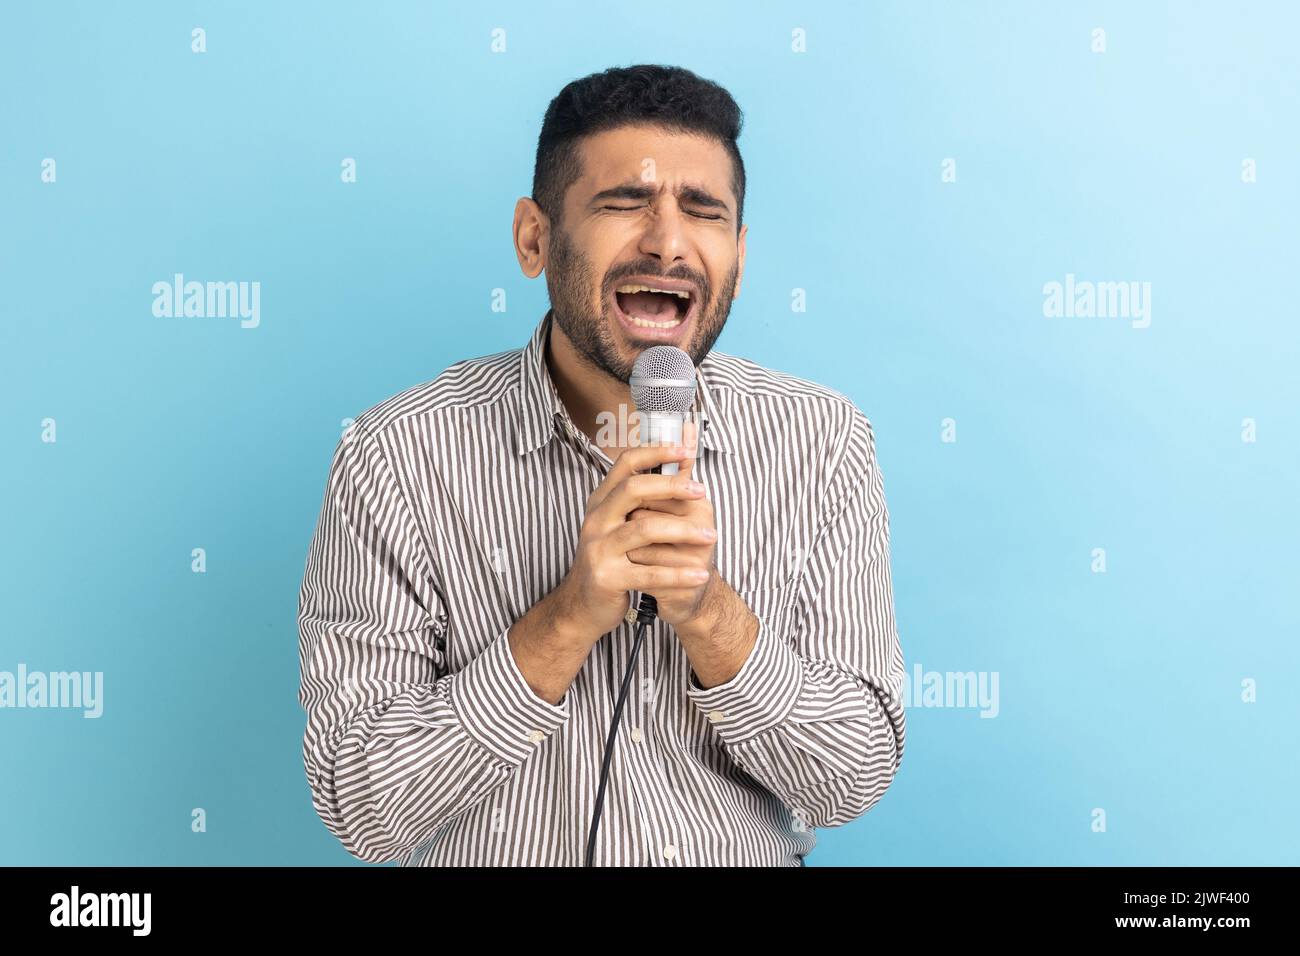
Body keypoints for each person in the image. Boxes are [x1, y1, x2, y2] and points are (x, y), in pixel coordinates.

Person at [297, 64, 906, 866]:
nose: (666, 239)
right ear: (534, 238)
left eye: (704, 211)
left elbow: (851, 779)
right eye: (624, 203)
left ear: (739, 254)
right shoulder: (395, 457)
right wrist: (569, 617)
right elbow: (363, 804)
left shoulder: (822, 442)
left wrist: (709, 614)